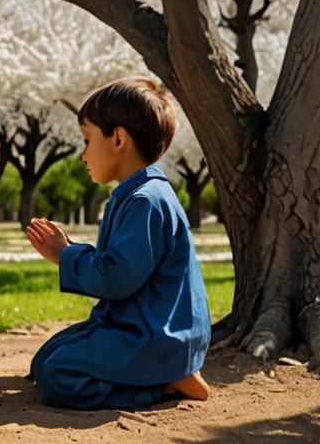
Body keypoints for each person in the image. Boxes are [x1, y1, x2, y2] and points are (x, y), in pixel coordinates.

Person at [25, 76, 211, 410]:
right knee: (46, 358)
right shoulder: (138, 195)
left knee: (56, 375)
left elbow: (116, 278)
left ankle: (163, 384)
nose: (82, 155)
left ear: (119, 138)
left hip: (156, 337)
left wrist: (64, 255)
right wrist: (67, 249)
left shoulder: (146, 201)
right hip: (136, 326)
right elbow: (122, 264)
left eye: (87, 140)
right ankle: (164, 376)